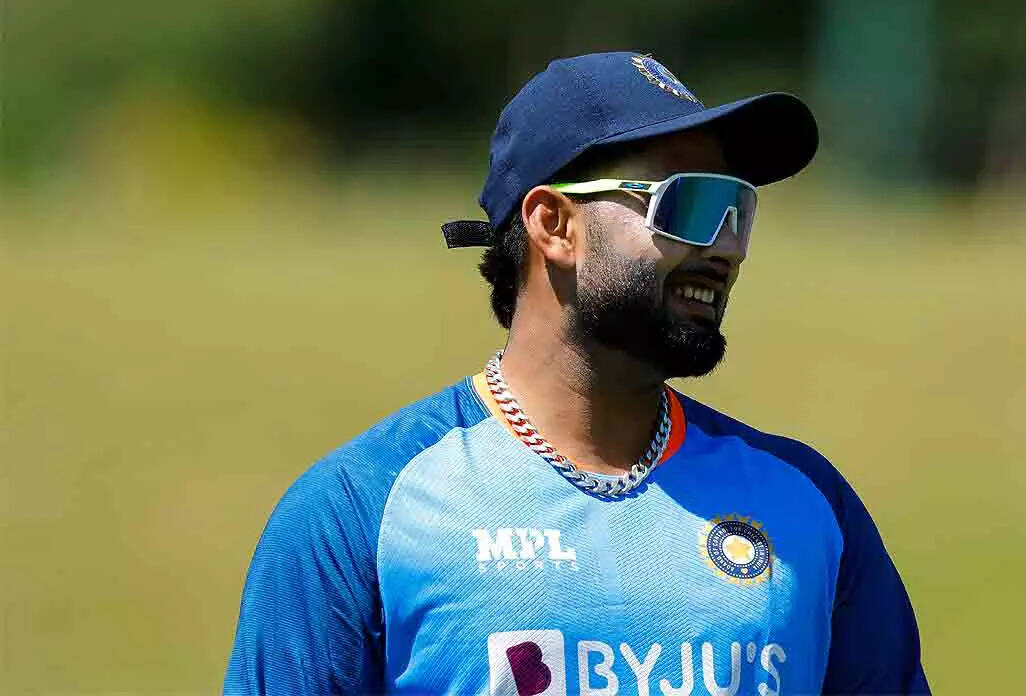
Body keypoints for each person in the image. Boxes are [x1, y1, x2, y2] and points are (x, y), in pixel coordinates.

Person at [225, 51, 929, 695]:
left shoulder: (808, 503)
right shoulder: (360, 508)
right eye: (688, 204)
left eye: (736, 209)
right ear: (554, 225)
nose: (727, 247)